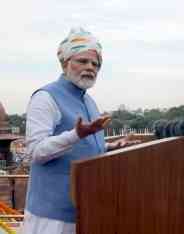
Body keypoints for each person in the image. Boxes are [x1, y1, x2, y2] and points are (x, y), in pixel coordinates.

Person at [21, 27, 132, 234]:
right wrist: (76, 134)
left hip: (87, 211)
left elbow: (81, 147)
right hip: (52, 218)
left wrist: (109, 147)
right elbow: (35, 152)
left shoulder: (89, 101)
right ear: (65, 63)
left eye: (95, 64)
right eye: (83, 61)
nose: (90, 67)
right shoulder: (45, 97)